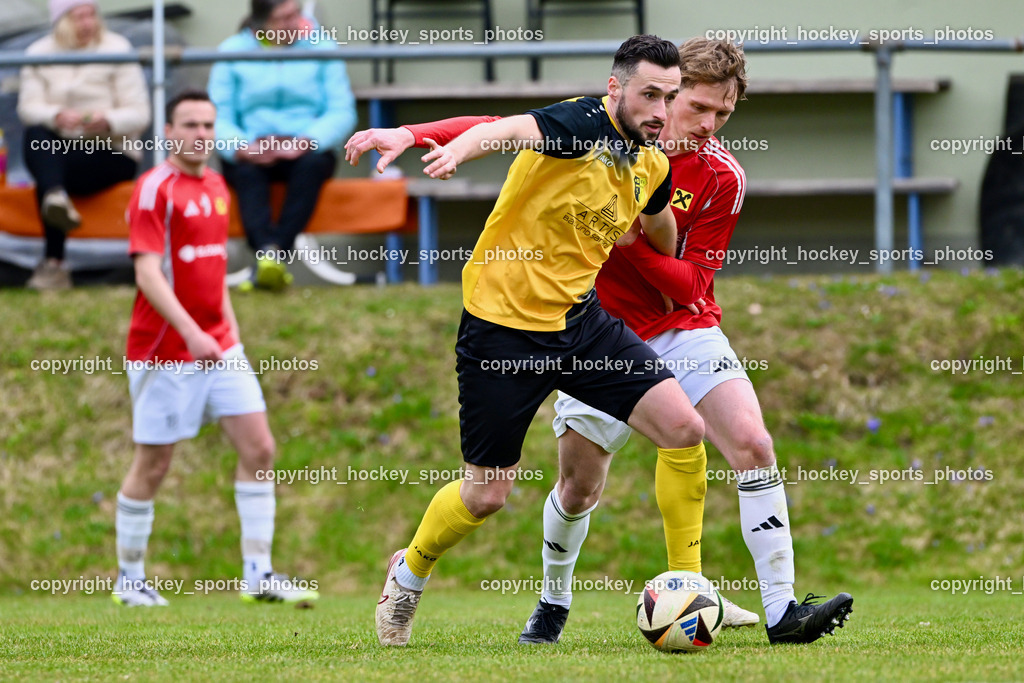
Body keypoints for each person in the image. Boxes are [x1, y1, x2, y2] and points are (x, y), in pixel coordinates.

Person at [348, 37, 854, 647]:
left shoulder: (662, 163)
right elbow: (499, 127)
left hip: (590, 325)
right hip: (502, 332)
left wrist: (646, 239)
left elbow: (665, 222)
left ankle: (705, 595)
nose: (675, 116)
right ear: (618, 89)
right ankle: (411, 572)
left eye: (679, 102)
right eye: (664, 98)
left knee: (693, 430)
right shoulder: (582, 122)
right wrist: (424, 137)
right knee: (489, 494)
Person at [111, 89, 317, 607]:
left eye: (208, 125)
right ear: (169, 132)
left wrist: (228, 331)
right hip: (164, 351)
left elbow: (213, 268)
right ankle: (129, 579)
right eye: (190, 125)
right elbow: (146, 273)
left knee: (261, 448)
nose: (201, 134)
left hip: (220, 347)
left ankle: (259, 573)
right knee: (153, 464)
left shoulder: (219, 186)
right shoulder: (154, 190)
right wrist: (190, 332)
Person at [208, 0, 356, 291]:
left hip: (306, 148)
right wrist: (242, 146)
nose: (295, 23)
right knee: (246, 173)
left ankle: (272, 254)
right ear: (261, 23)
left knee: (312, 166)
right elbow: (217, 114)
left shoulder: (322, 48)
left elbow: (342, 111)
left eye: (296, 14)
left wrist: (306, 141)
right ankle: (267, 254)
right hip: (251, 147)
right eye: (283, 18)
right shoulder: (231, 51)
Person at [17, 0, 149, 291]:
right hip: (60, 149)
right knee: (37, 135)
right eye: (78, 17)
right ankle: (56, 198)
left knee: (49, 171)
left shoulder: (118, 48)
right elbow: (29, 108)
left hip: (112, 151)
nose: (87, 23)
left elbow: (140, 113)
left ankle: (54, 264)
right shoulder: (37, 53)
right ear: (61, 21)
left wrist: (107, 120)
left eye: (91, 14)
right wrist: (57, 116)